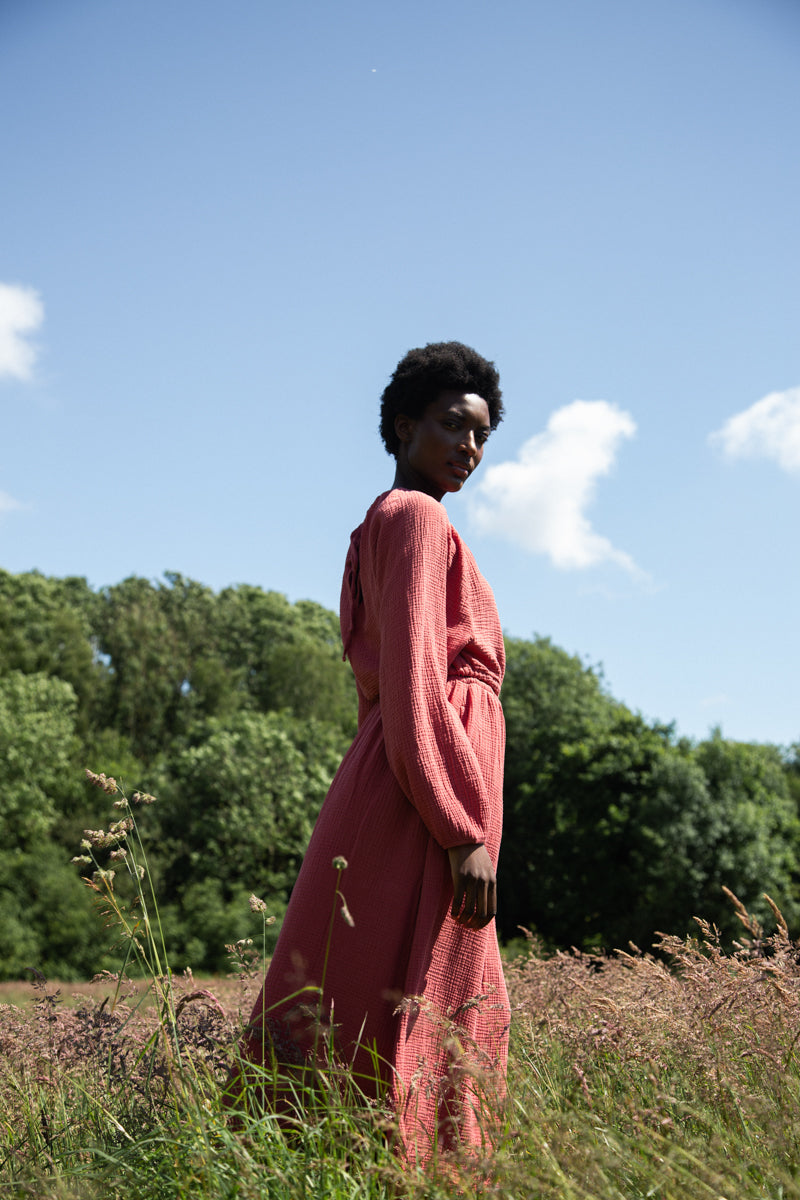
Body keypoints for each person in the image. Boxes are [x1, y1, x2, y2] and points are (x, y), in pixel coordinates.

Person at [242, 341, 510, 1160]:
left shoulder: (381, 523)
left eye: (482, 435)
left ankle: (321, 1164)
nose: (469, 447)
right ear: (402, 426)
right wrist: (461, 828)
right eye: (452, 425)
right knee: (428, 995)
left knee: (372, 991)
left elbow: (391, 690)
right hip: (423, 793)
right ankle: (419, 1171)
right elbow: (413, 681)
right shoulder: (417, 519)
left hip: (404, 777)